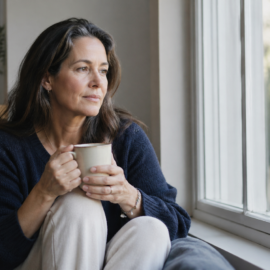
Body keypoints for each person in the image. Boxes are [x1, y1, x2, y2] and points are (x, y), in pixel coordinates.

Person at [0, 18, 191, 270]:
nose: (99, 82)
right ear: (47, 79)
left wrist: (126, 194)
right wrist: (44, 193)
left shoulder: (126, 137)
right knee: (78, 206)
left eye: (103, 70)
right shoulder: (9, 146)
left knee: (152, 229)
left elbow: (178, 223)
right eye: (82, 68)